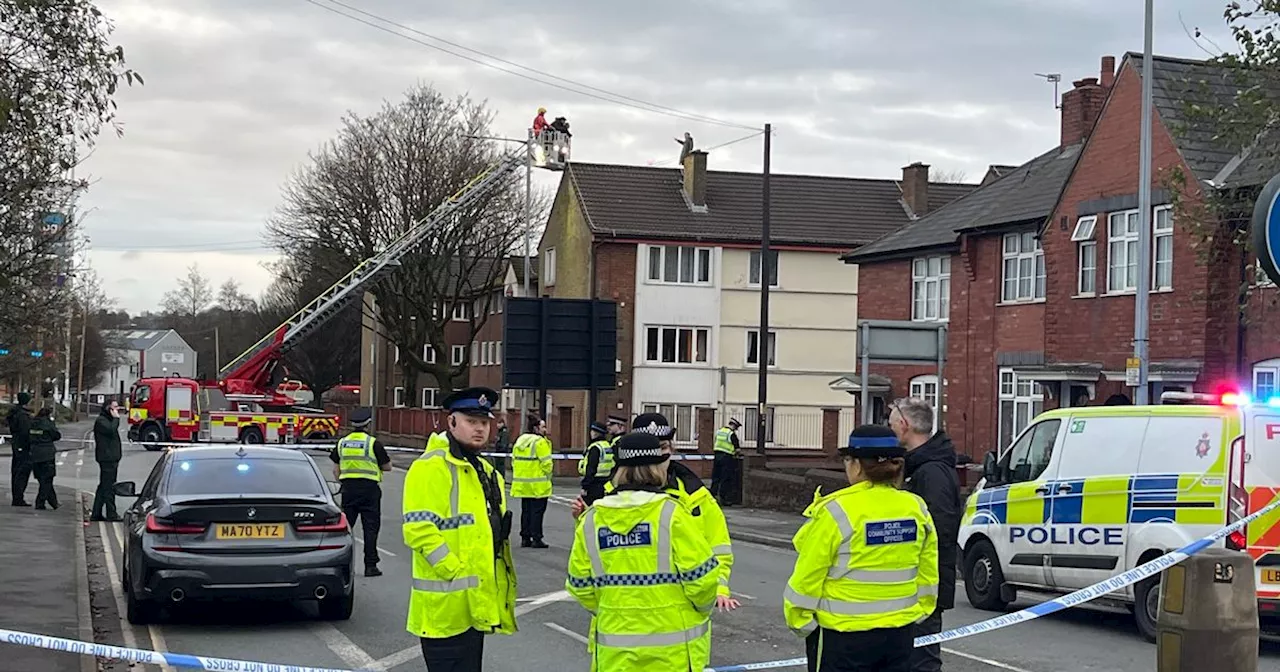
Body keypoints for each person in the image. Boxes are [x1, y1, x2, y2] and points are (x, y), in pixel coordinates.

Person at [784, 424, 939, 672]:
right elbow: (928, 570)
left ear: (856, 464)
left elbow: (808, 576)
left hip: (843, 636)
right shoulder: (916, 507)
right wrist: (919, 611)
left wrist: (802, 622)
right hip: (900, 634)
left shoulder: (835, 511)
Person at [566, 430, 721, 671]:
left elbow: (579, 585)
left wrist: (612, 610)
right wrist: (698, 611)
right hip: (672, 654)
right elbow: (703, 579)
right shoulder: (672, 514)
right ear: (658, 467)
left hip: (615, 652)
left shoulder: (592, 519)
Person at [573, 412, 738, 610]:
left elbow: (718, 546)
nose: (657, 456)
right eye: (650, 449)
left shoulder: (695, 495)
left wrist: (719, 589)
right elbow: (594, 553)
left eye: (662, 447)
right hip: (668, 624)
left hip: (634, 625)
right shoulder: (608, 496)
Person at [403, 387, 515, 672]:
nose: (479, 429)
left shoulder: (485, 471)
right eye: (471, 421)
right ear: (451, 422)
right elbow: (419, 529)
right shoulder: (432, 467)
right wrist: (454, 571)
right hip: (444, 610)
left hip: (474, 607)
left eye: (484, 422)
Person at [888, 398, 961, 672]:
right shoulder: (920, 466)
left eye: (892, 423)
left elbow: (939, 530)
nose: (890, 429)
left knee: (923, 661)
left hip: (925, 585)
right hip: (916, 583)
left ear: (904, 425)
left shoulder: (932, 472)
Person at [329, 407, 392, 577]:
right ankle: (370, 566)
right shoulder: (373, 443)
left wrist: (344, 481)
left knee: (345, 529)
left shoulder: (342, 443)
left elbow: (336, 470)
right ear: (368, 424)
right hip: (370, 491)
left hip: (349, 491)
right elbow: (388, 467)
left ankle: (341, 565)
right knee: (370, 529)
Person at [511, 415, 552, 548]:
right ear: (536, 428)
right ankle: (536, 538)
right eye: (543, 427)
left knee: (526, 511)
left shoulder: (520, 441)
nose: (545, 429)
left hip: (523, 484)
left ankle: (525, 537)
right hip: (538, 484)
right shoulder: (540, 442)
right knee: (537, 512)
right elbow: (547, 464)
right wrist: (547, 475)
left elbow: (513, 461)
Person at [91, 399, 123, 522]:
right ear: (108, 409)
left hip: (111, 458)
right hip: (107, 458)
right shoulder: (101, 421)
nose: (117, 410)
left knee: (104, 486)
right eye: (114, 408)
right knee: (109, 487)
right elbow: (111, 430)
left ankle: (96, 513)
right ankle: (111, 514)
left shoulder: (106, 420)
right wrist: (116, 419)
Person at [29, 406, 61, 510]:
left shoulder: (32, 423)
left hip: (35, 453)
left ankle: (53, 502)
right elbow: (57, 435)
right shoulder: (48, 424)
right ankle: (40, 502)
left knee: (43, 480)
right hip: (47, 454)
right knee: (47, 480)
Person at [577, 422, 614, 505]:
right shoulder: (607, 446)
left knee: (589, 511)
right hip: (606, 483)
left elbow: (591, 468)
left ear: (594, 433)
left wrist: (585, 486)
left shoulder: (595, 447)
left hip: (594, 484)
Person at [7, 392, 33, 507]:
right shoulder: (22, 415)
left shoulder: (15, 412)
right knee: (22, 472)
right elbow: (25, 432)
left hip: (16, 444)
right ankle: (18, 498)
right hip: (23, 446)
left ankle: (17, 497)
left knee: (16, 471)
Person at [709, 418, 743, 506]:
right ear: (734, 426)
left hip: (717, 456)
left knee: (716, 477)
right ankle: (723, 499)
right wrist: (736, 454)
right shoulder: (731, 434)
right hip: (726, 458)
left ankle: (712, 496)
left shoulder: (719, 431)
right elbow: (737, 449)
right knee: (725, 478)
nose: (736, 430)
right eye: (736, 428)